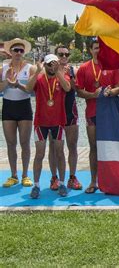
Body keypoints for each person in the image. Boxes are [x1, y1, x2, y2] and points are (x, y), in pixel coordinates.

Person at [76, 39, 119, 194]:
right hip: (92, 113)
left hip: (109, 113)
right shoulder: (83, 68)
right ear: (90, 50)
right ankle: (93, 181)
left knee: (111, 147)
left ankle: (112, 181)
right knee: (93, 147)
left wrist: (111, 92)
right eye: (95, 48)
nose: (98, 51)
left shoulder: (112, 67)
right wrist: (93, 95)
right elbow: (79, 91)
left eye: (101, 48)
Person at [25, 54, 71, 198]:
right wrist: (38, 71)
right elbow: (27, 88)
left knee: (60, 153)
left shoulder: (62, 76)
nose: (52, 66)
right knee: (39, 154)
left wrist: (58, 71)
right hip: (41, 122)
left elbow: (68, 88)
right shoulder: (39, 78)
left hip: (58, 121)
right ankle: (36, 185)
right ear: (45, 65)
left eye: (55, 63)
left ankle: (62, 183)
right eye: (50, 64)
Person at [0, 38, 34, 188]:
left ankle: (25, 175)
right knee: (11, 143)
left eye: (21, 50)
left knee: (25, 143)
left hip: (24, 107)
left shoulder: (30, 68)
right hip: (8, 107)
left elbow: (31, 90)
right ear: (10, 52)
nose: (18, 53)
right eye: (16, 50)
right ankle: (13, 175)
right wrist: (7, 82)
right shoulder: (3, 68)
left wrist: (17, 84)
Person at [48, 45, 82, 191]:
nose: (63, 57)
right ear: (55, 56)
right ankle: (54, 177)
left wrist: (71, 78)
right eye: (60, 54)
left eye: (66, 54)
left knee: (72, 146)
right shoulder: (49, 71)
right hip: (53, 113)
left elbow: (75, 89)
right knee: (53, 147)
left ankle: (72, 177)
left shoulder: (72, 70)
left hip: (70, 112)